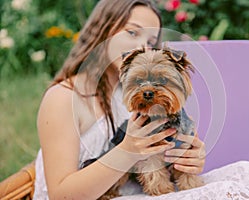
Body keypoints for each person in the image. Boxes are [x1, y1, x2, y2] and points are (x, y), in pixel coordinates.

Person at [33, 0, 205, 199]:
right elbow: (60, 196)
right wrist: (128, 152)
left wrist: (188, 159)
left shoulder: (137, 97)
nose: (142, 47)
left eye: (150, 42)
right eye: (132, 32)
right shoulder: (63, 98)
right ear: (103, 30)